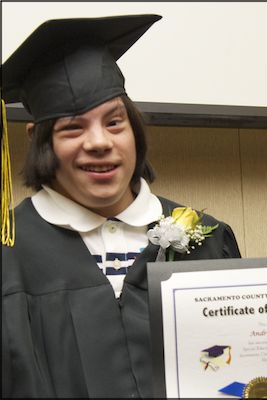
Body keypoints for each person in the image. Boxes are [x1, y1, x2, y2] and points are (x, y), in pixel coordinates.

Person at [1, 15, 241, 398]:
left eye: (114, 123)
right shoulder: (8, 255)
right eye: (73, 128)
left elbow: (239, 367)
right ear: (38, 140)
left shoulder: (207, 238)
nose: (99, 142)